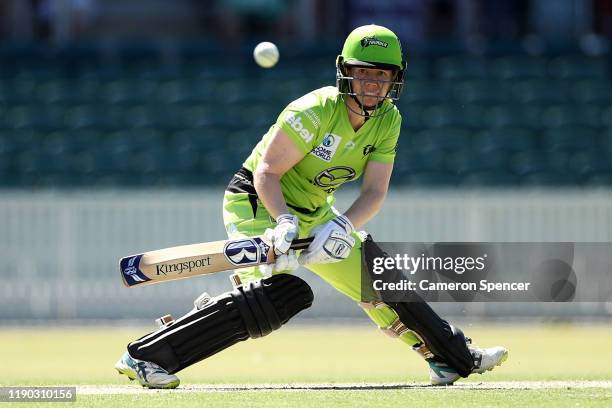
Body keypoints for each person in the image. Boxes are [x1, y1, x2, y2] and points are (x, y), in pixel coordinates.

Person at [115, 24, 508, 389]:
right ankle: (147, 357)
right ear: (346, 72)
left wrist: (342, 228)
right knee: (277, 293)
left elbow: (374, 193)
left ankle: (450, 357)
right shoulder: (315, 110)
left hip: (316, 210)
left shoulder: (389, 120)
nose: (372, 84)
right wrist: (283, 221)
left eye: (382, 76)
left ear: (395, 80)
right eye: (364, 73)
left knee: (376, 271)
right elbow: (266, 173)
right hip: (258, 202)